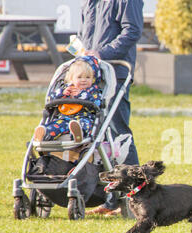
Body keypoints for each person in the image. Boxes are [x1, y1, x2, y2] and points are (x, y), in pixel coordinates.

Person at [80, 0, 144, 216]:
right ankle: (110, 200)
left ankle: (137, 199)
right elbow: (85, 33)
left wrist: (102, 53)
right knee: (97, 139)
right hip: (91, 76)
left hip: (115, 73)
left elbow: (132, 31)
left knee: (119, 136)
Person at [34, 56, 102, 143]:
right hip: (65, 118)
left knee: (85, 124)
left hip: (84, 117)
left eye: (88, 77)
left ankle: (78, 133)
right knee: (56, 125)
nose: (84, 80)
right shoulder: (66, 89)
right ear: (71, 79)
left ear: (93, 79)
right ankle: (44, 133)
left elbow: (98, 103)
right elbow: (50, 99)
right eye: (79, 77)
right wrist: (62, 93)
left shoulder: (92, 91)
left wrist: (81, 95)